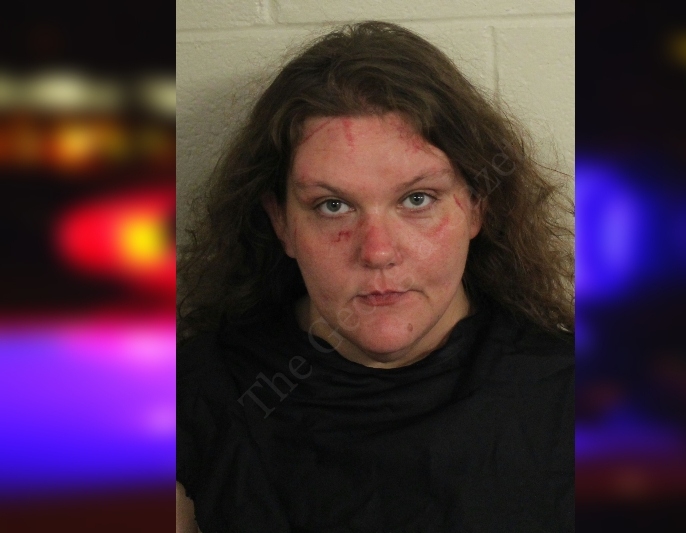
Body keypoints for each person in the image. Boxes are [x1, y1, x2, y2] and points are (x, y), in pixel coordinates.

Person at [177, 20, 574, 532]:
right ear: (282, 224)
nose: (378, 252)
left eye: (417, 199)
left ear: (477, 207)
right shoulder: (190, 399)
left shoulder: (579, 399)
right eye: (333, 205)